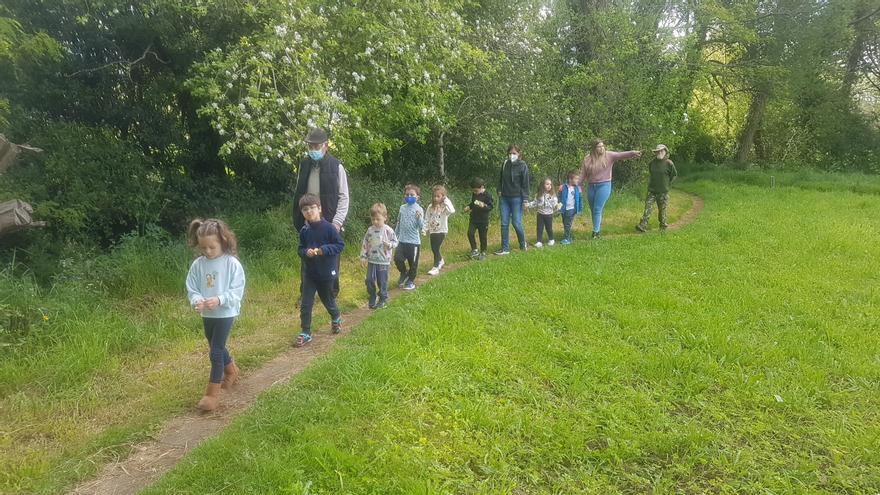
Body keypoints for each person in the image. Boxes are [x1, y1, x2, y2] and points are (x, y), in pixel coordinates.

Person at [185, 218, 246, 412]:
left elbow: (237, 289)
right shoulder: (198, 265)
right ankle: (231, 371)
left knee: (216, 351)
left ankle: (212, 394)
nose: (208, 251)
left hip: (226, 312)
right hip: (208, 315)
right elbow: (192, 287)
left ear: (223, 241)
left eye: (212, 247)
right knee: (214, 345)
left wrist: (220, 299)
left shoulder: (231, 263)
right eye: (204, 248)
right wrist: (197, 301)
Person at [292, 127, 349, 301]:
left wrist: (337, 223)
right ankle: (306, 294)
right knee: (307, 255)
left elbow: (344, 197)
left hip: (330, 220)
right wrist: (298, 217)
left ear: (325, 146)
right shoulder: (304, 165)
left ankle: (331, 292)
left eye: (316, 146)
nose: (313, 150)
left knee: (330, 256)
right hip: (308, 220)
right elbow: (298, 193)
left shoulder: (336, 166)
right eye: (310, 146)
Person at [295, 194, 345, 347]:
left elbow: (339, 245)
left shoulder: (329, 228)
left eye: (312, 208)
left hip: (326, 272)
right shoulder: (305, 230)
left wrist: (323, 250)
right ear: (302, 213)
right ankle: (306, 332)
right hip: (310, 273)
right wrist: (306, 253)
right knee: (306, 302)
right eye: (305, 209)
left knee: (327, 299)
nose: (309, 211)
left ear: (319, 209)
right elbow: (300, 249)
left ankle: (336, 317)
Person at [580, 139, 641, 239]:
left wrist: (633, 153)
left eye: (603, 146)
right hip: (591, 186)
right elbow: (582, 174)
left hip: (604, 185)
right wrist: (576, 186)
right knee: (593, 209)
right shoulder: (587, 158)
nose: (602, 148)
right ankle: (596, 229)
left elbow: (621, 155)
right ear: (594, 148)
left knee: (597, 208)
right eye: (599, 146)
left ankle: (596, 232)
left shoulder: (609, 155)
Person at [360, 203, 398, 309]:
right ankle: (372, 295)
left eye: (378, 219)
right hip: (372, 260)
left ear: (385, 218)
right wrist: (363, 256)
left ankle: (383, 298)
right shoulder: (370, 230)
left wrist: (389, 245)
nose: (375, 222)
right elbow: (365, 243)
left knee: (382, 281)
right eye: (373, 219)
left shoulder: (388, 230)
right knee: (369, 280)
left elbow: (395, 242)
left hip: (383, 261)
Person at [495, 144, 530, 255]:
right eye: (510, 153)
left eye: (514, 153)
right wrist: (499, 191)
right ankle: (505, 248)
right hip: (504, 198)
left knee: (516, 223)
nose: (512, 155)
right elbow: (500, 179)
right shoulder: (505, 163)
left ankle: (522, 243)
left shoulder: (523, 165)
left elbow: (525, 184)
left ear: (519, 154)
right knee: (504, 224)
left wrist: (525, 199)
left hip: (517, 198)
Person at [637, 144, 678, 233]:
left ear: (665, 152)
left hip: (663, 192)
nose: (659, 152)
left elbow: (674, 175)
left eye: (661, 151)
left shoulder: (669, 163)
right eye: (658, 151)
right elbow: (651, 174)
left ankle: (663, 226)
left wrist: (667, 184)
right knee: (648, 208)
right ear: (655, 152)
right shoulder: (652, 163)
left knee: (662, 210)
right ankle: (643, 225)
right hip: (652, 190)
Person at [394, 184, 424, 290]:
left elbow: (421, 226)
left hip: (414, 242)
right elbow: (399, 222)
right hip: (402, 240)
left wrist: (419, 218)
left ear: (417, 197)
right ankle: (404, 273)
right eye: (407, 194)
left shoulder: (419, 209)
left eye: (412, 194)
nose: (409, 196)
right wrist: (394, 235)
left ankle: (410, 281)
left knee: (413, 264)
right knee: (397, 259)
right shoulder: (402, 208)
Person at [423, 185, 455, 275]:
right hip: (433, 231)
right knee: (433, 248)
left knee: (436, 248)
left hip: (442, 230)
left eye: (438, 196)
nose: (436, 198)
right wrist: (425, 229)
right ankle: (440, 260)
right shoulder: (430, 207)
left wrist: (446, 200)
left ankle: (435, 266)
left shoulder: (445, 207)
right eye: (434, 196)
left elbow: (452, 211)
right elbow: (427, 218)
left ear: (443, 197)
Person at [464, 177, 494, 260]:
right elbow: (474, 203)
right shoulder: (475, 194)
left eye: (476, 191)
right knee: (470, 233)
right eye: (473, 191)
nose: (475, 193)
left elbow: (490, 207)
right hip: (473, 219)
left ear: (482, 187)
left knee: (483, 237)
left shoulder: (488, 195)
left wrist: (484, 206)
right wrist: (469, 207)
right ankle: (474, 249)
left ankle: (483, 251)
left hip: (483, 220)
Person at [530, 177, 559, 247]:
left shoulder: (552, 195)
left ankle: (551, 239)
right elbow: (535, 203)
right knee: (539, 228)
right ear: (543, 185)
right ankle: (539, 241)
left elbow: (555, 204)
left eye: (550, 184)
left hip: (549, 215)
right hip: (540, 214)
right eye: (547, 184)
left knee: (549, 228)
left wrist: (557, 207)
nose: (549, 186)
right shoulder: (538, 195)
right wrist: (528, 205)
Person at [558, 171, 583, 245]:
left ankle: (567, 239)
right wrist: (558, 207)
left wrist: (580, 208)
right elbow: (559, 198)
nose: (577, 181)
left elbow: (580, 199)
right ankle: (570, 237)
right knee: (565, 223)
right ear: (570, 179)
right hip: (564, 208)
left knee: (567, 224)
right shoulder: (562, 187)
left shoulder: (578, 188)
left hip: (571, 209)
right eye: (576, 179)